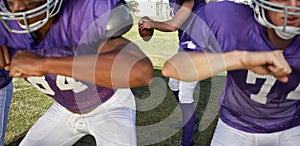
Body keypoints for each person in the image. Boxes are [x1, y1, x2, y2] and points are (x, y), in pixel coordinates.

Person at [0, 0, 153, 145]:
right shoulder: (6, 35)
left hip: (111, 106)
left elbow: (139, 70)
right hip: (64, 108)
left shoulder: (77, 18)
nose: (18, 10)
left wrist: (44, 63)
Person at [162, 0, 300, 145]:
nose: (293, 7)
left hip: (293, 125)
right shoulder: (229, 18)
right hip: (236, 125)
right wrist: (240, 58)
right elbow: (174, 68)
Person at [138, 0, 206, 145]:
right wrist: (151, 23)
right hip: (185, 47)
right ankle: (187, 120)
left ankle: (186, 143)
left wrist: (152, 24)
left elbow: (173, 26)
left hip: (198, 48)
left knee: (185, 95)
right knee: (173, 84)